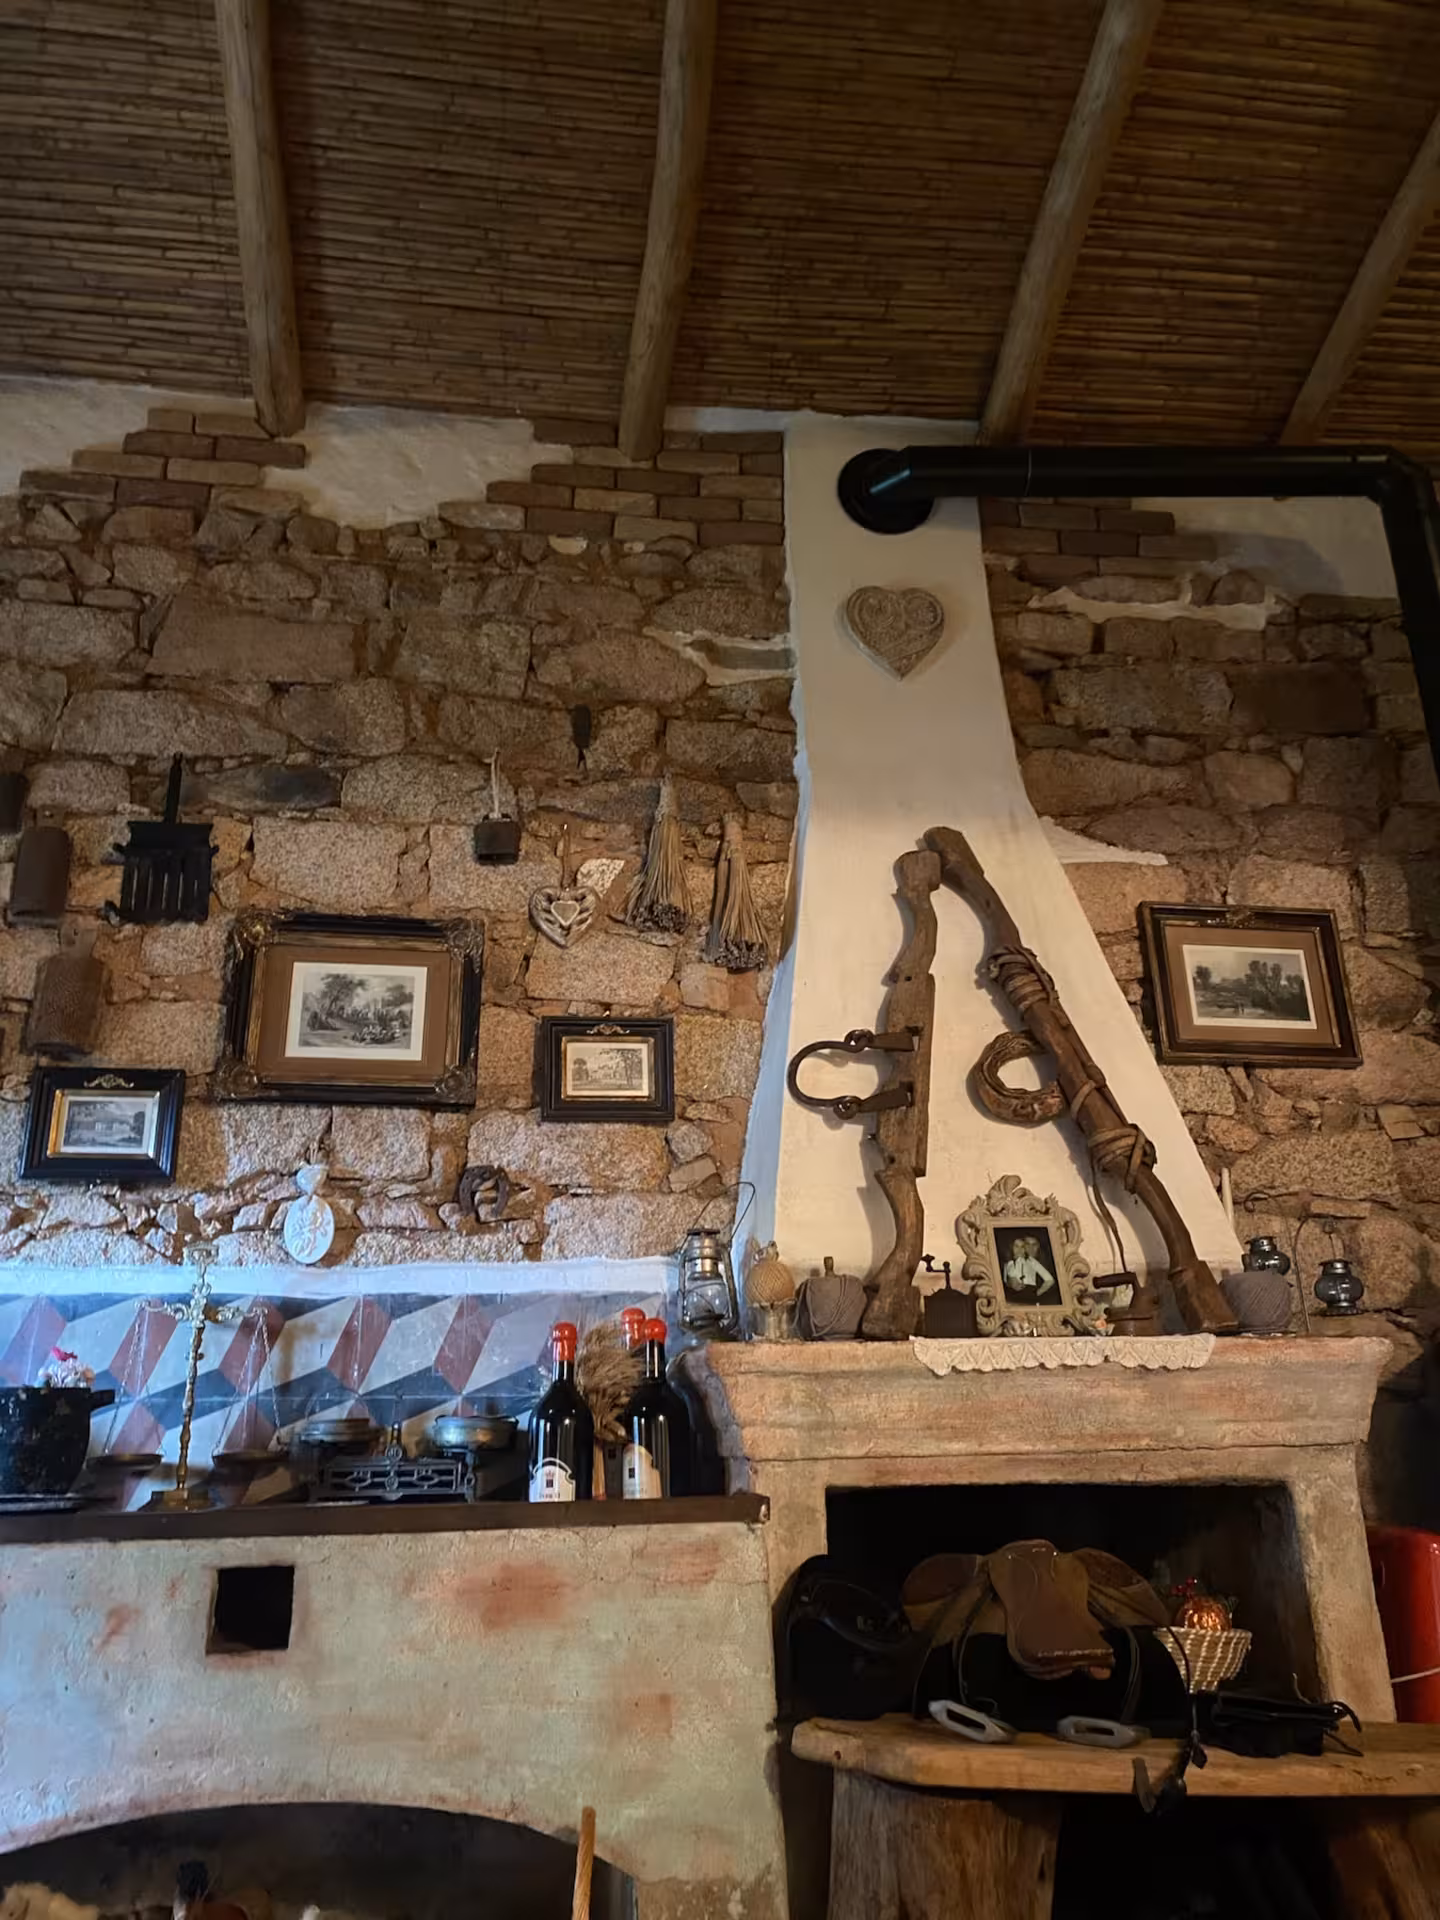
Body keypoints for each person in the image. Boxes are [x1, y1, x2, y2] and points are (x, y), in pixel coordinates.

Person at [1003, 1234, 1056, 1301]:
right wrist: (1010, 1282)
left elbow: (1050, 1280)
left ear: (1039, 1246)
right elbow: (1005, 1281)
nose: (1030, 1248)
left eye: (1034, 1245)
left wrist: (1037, 1293)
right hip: (1012, 1296)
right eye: (1027, 1244)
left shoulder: (1035, 1262)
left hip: (1031, 1296)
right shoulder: (1008, 1263)